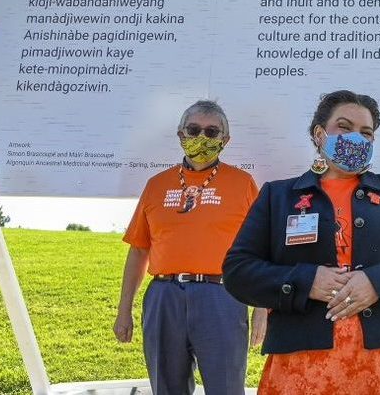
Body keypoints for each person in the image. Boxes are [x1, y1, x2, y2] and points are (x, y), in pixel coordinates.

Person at [223, 90, 380, 394]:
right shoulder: (278, 196)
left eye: (366, 132)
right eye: (344, 127)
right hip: (303, 365)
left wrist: (377, 283)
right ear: (320, 134)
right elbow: (239, 270)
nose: (355, 137)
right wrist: (305, 282)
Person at [114, 100, 266, 395]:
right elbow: (138, 251)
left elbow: (259, 249)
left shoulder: (243, 183)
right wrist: (124, 310)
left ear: (225, 140)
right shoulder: (156, 185)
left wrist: (262, 309)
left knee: (225, 387)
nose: (202, 137)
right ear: (181, 134)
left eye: (212, 132)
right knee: (167, 387)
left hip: (222, 295)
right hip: (163, 296)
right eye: (194, 129)